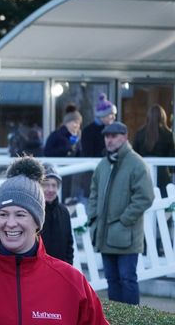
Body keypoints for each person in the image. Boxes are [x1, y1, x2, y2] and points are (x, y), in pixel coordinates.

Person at [0, 175, 108, 324]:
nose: (10, 223)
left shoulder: (72, 282)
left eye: (20, 214)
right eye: (3, 214)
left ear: (37, 222)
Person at [87, 121, 154, 305]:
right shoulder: (103, 165)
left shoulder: (137, 164)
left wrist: (124, 220)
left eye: (114, 136)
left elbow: (145, 197)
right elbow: (93, 193)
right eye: (107, 136)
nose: (109, 140)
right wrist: (93, 218)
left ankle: (131, 319)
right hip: (105, 235)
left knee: (127, 280)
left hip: (127, 236)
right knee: (112, 281)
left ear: (125, 137)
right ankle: (115, 319)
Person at [132, 104, 175, 198]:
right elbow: (172, 158)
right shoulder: (168, 134)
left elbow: (134, 155)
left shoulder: (140, 133)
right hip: (162, 174)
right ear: (163, 117)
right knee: (164, 202)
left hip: (143, 172)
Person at [45, 105, 83, 203]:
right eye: (74, 122)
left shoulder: (77, 137)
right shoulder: (57, 135)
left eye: (79, 123)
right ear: (67, 123)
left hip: (73, 174)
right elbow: (47, 152)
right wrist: (67, 149)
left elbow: (79, 155)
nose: (77, 126)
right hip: (58, 172)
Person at [40, 163, 75, 265]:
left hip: (60, 268)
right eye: (46, 185)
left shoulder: (64, 211)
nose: (50, 190)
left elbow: (69, 243)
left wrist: (68, 265)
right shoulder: (33, 211)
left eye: (54, 185)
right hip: (39, 268)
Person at [81, 93, 117, 158]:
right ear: (102, 116)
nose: (114, 117)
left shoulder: (113, 130)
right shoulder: (88, 132)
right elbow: (88, 155)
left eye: (114, 114)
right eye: (111, 114)